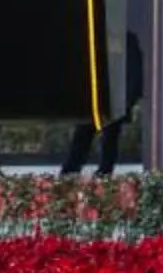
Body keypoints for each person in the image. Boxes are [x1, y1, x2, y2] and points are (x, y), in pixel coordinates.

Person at [57, 31, 144, 178]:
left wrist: (129, 99)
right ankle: (71, 171)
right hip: (94, 97)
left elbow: (134, 70)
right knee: (83, 134)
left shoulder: (126, 39)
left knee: (109, 137)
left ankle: (104, 171)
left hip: (116, 98)